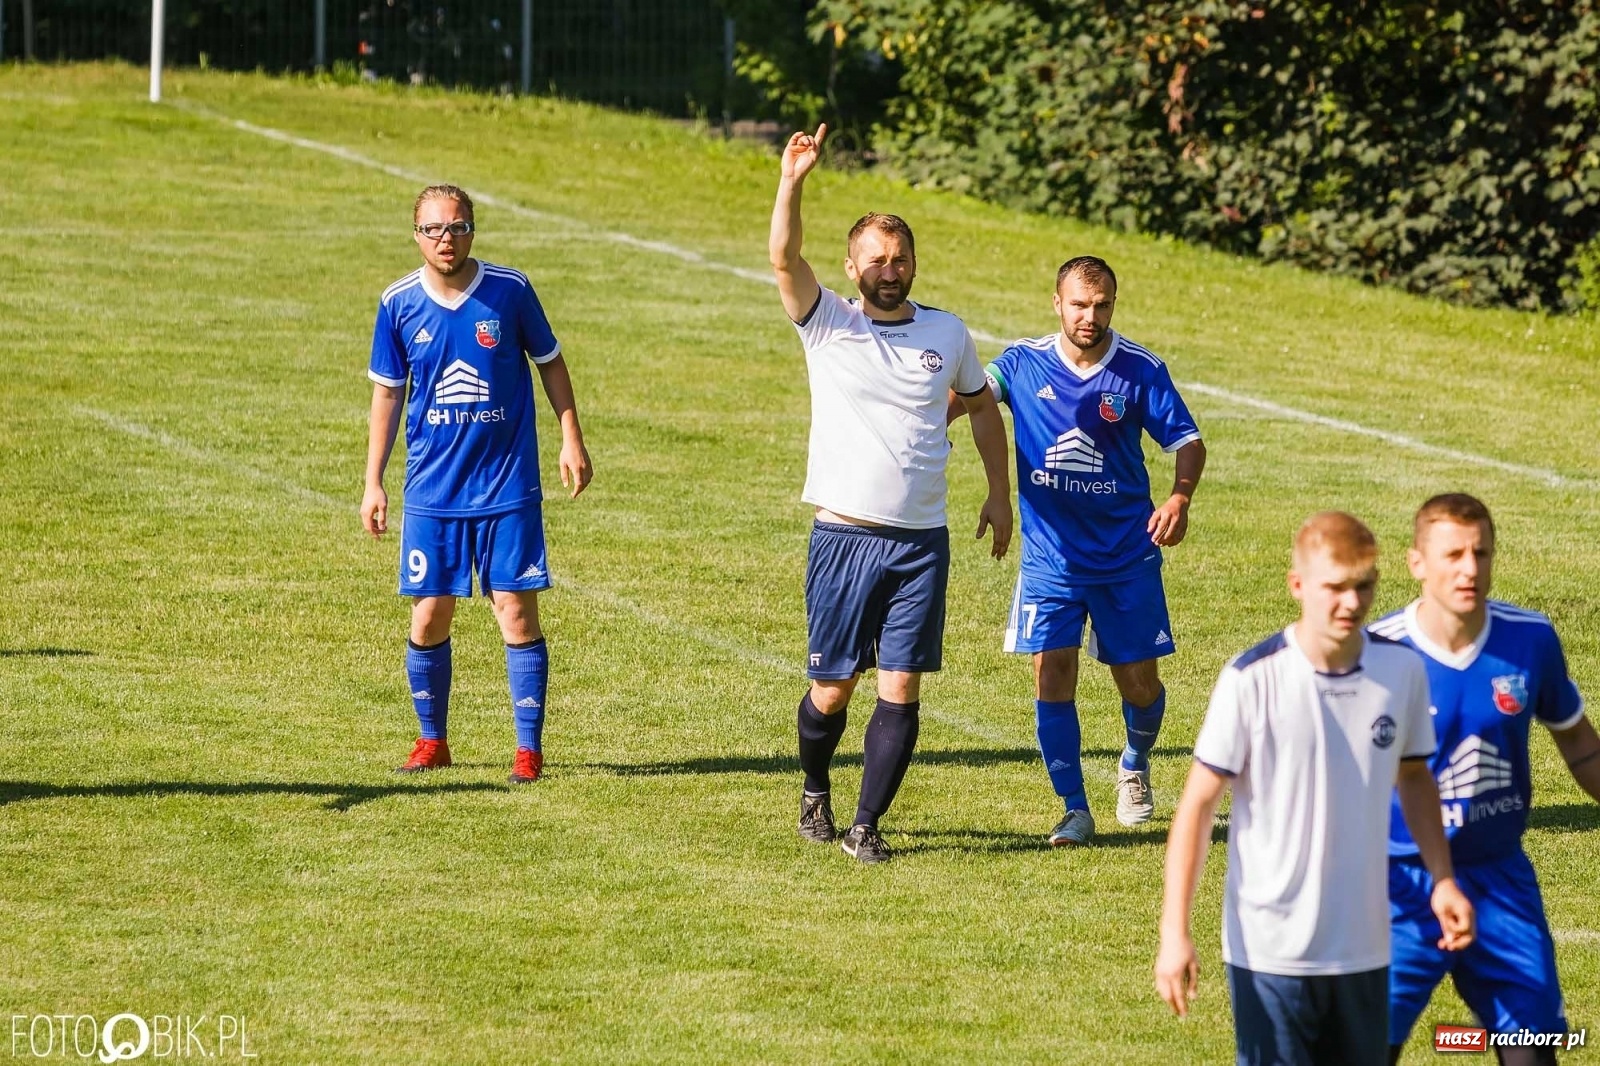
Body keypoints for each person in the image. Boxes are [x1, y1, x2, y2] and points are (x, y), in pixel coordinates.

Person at [769, 124, 1014, 864]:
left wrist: (998, 493)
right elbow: (783, 257)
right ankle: (815, 788)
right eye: (875, 259)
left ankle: (865, 825)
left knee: (902, 686)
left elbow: (982, 409)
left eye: (899, 257)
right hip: (844, 537)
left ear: (913, 264)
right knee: (834, 689)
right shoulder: (827, 323)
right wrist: (792, 181)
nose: (889, 268)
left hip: (922, 543)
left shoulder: (948, 333)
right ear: (851, 267)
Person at [1156, 511, 1475, 1065]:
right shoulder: (1252, 680)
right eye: (1335, 588)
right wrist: (1174, 931)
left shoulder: (1400, 671)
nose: (1351, 603)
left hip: (1365, 947)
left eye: (1363, 587)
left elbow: (1414, 776)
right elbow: (1198, 806)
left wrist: (1443, 879)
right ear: (1298, 585)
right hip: (1270, 950)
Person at [951, 256, 1205, 845]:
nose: (1090, 316)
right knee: (1052, 673)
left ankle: (1134, 761)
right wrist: (924, 421)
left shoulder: (1140, 369)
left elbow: (1188, 441)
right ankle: (1074, 809)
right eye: (1080, 305)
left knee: (1138, 685)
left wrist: (1180, 497)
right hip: (1050, 561)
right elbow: (973, 396)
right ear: (1057, 304)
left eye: (1102, 305)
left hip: (1126, 557)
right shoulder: (1022, 362)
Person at [362, 184, 592, 785]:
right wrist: (373, 481)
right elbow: (388, 393)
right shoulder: (398, 303)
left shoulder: (509, 291)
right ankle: (431, 740)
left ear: (472, 230)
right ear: (416, 234)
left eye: (458, 227)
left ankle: (528, 751)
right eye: (435, 229)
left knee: (516, 613)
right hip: (432, 493)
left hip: (505, 488)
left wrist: (571, 437)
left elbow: (550, 361)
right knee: (428, 617)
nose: (447, 239)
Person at [1370, 494, 1598, 1065]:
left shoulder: (1529, 640)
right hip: (1397, 885)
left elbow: (1579, 743)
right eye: (1452, 555)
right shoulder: (1377, 653)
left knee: (1534, 1049)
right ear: (1417, 562)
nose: (1469, 569)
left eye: (1481, 553)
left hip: (1500, 881)